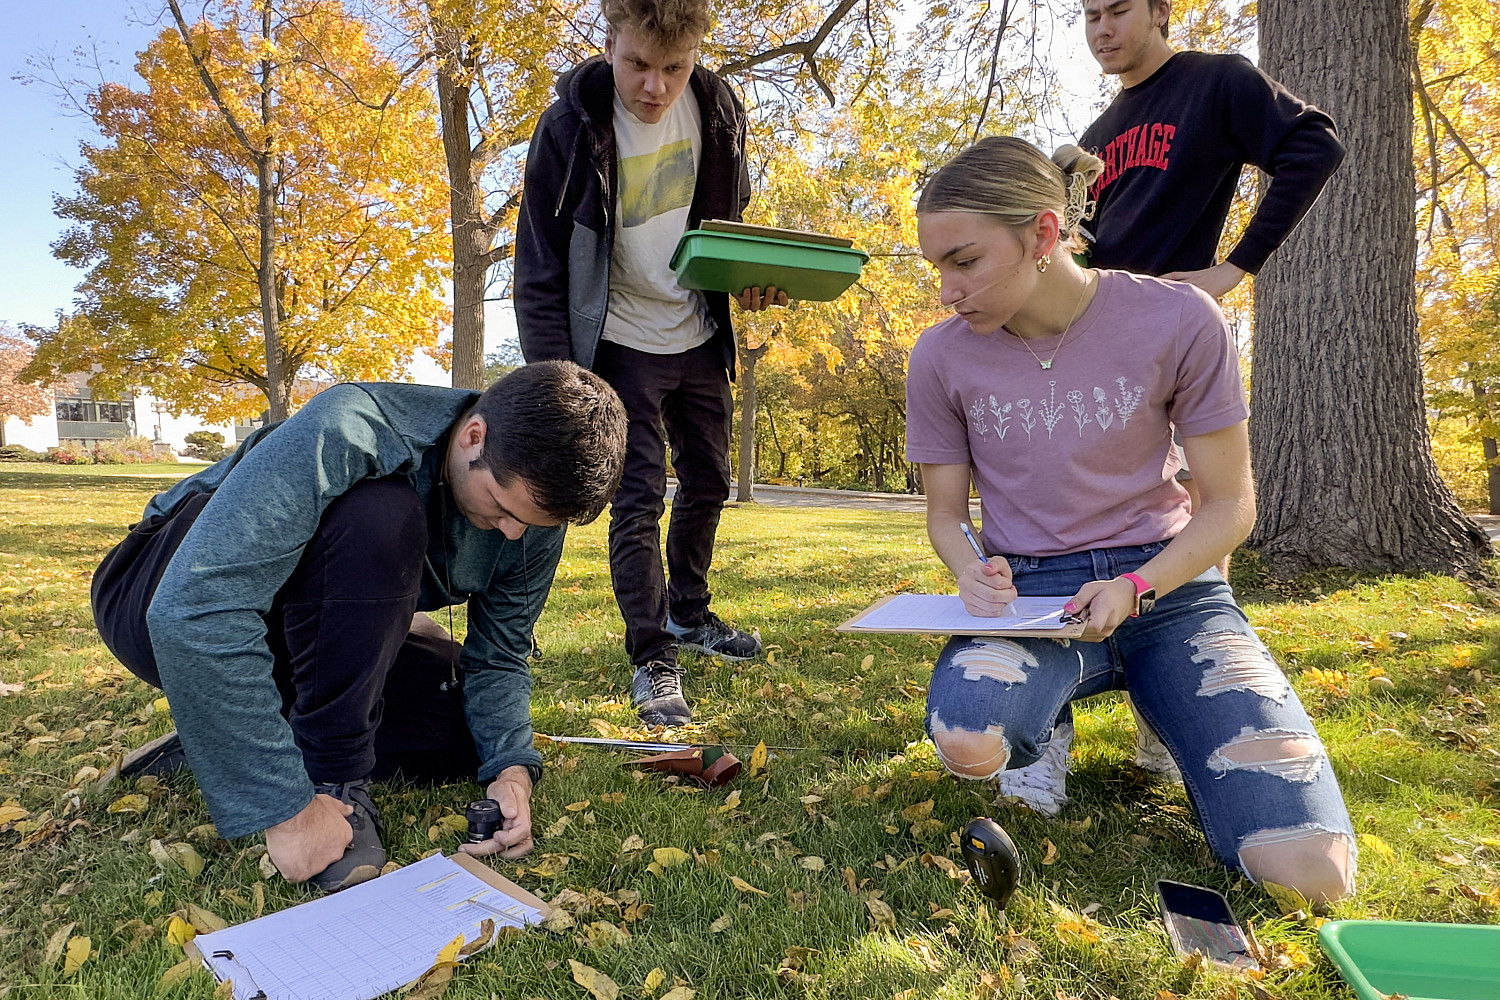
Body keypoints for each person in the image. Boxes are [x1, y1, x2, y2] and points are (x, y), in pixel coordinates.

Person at [904, 136, 1355, 904]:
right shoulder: (940, 356)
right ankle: (1044, 725)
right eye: (936, 267)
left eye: (965, 261)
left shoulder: (1179, 319)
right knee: (968, 740)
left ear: (1043, 235)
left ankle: (1165, 698)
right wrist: (970, 569)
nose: (947, 289)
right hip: (1037, 600)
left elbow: (1229, 507)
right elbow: (946, 516)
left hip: (1171, 588)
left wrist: (1139, 586)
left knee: (1314, 877)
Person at [91, 362, 627, 891]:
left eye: (531, 523)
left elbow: (499, 657)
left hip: (308, 636)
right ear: (473, 436)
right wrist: (289, 816)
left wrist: (510, 770)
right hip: (155, 589)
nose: (512, 534)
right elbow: (196, 607)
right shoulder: (352, 426)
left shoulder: (528, 518)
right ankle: (334, 778)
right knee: (381, 515)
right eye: (502, 506)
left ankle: (226, 729)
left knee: (462, 729)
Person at [515, 0, 783, 728]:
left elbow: (732, 217)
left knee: (710, 480)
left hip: (697, 328)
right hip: (619, 339)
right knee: (636, 499)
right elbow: (538, 265)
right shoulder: (569, 126)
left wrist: (750, 276)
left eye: (675, 67)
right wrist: (557, 380)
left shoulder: (719, 106)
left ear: (696, 56)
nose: (655, 86)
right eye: (637, 64)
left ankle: (691, 616)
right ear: (608, 44)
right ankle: (653, 657)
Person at [1079, 0, 1345, 300]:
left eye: (1119, 12)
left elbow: (1316, 145)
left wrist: (1237, 265)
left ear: (1160, 12)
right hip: (1100, 327)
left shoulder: (1215, 82)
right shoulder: (1092, 141)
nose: (1103, 30)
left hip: (1175, 322)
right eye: (1093, 17)